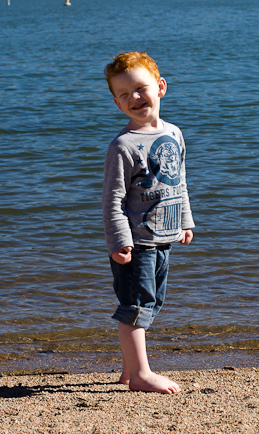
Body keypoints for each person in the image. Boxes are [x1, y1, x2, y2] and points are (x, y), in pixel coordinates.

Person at [102, 51, 195, 394]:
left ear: (160, 87)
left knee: (151, 303)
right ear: (117, 103)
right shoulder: (122, 146)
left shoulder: (174, 133)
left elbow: (179, 183)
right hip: (135, 242)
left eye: (140, 88)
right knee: (135, 306)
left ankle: (129, 371)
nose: (135, 98)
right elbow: (112, 199)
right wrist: (118, 241)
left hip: (163, 237)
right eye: (124, 94)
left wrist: (185, 221)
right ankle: (141, 374)